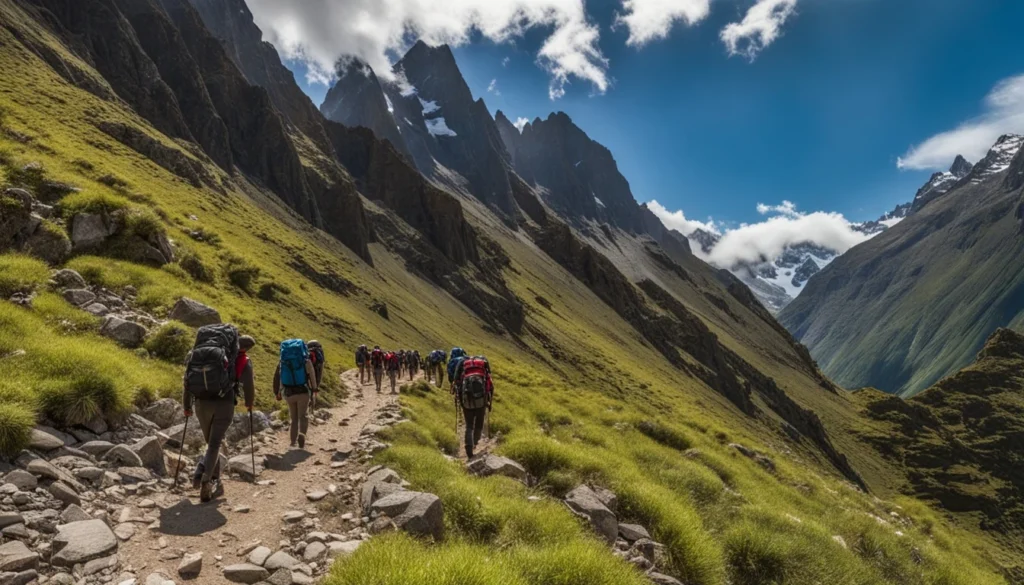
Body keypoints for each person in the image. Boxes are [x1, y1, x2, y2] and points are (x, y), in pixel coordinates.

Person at [182, 329, 255, 503]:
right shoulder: (242, 360)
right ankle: (205, 478)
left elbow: (187, 381)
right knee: (214, 443)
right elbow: (248, 385)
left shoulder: (197, 355)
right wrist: (249, 403)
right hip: (225, 402)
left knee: (211, 443)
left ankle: (212, 476)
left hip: (201, 404)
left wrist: (187, 406)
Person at [273, 339, 318, 449]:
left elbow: (281, 379)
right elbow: (312, 376)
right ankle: (302, 435)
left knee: (293, 418)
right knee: (303, 416)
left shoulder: (283, 361)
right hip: (303, 391)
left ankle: (292, 442)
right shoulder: (305, 361)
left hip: (289, 393)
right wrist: (314, 388)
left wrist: (279, 392)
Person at [451, 353, 493, 459]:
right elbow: (490, 386)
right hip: (481, 400)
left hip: (466, 401)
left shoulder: (462, 365)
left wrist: (460, 400)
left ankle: (468, 449)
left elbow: (456, 383)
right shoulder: (483, 366)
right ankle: (475, 443)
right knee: (479, 424)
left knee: (469, 425)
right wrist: (489, 402)